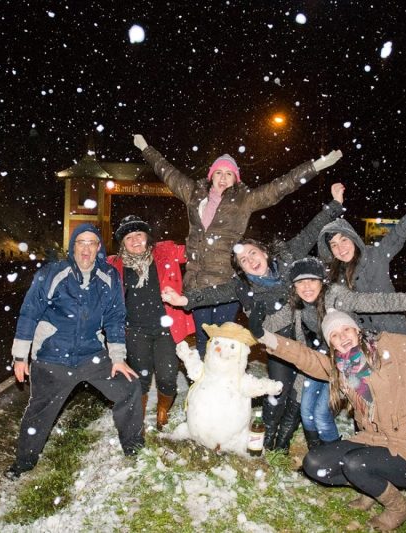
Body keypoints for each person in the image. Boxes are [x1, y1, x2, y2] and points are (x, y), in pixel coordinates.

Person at [163, 254, 406, 453]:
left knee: (327, 415)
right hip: (317, 362)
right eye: (300, 283)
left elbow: (381, 301)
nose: (306, 287)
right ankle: (309, 452)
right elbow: (273, 326)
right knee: (306, 411)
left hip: (348, 360)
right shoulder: (296, 305)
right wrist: (256, 327)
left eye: (311, 281)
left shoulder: (338, 296)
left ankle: (336, 454)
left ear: (321, 281)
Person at [248, 308, 406, 531]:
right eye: (334, 335)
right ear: (331, 343)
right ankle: (370, 487)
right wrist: (267, 337)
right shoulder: (339, 367)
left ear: (358, 331)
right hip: (372, 440)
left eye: (346, 329)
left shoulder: (390, 348)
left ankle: (397, 509)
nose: (342, 337)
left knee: (355, 463)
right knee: (315, 464)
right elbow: (305, 357)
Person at [161, 182, 346, 451]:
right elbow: (215, 293)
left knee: (300, 390)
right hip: (277, 342)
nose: (250, 261)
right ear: (242, 270)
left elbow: (309, 233)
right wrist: (185, 300)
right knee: (279, 389)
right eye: (244, 261)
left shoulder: (286, 259)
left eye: (252, 254)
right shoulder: (243, 286)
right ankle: (268, 439)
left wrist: (334, 206)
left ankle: (283, 440)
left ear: (264, 252)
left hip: (307, 333)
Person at [134, 133, 342, 357]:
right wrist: (146, 148)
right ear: (211, 176)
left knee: (223, 344)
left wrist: (317, 165)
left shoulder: (245, 199)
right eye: (219, 173)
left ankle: (225, 387)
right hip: (196, 284)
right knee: (204, 343)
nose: (223, 178)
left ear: (236, 178)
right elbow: (167, 172)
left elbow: (281, 186)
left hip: (226, 285)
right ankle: (207, 389)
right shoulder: (193, 193)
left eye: (229, 174)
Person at [6, 223, 144, 479]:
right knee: (39, 413)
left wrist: (118, 359)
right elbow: (29, 313)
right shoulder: (52, 273)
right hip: (53, 358)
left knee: (130, 386)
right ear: (73, 247)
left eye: (92, 243)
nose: (86, 248)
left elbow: (115, 317)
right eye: (81, 242)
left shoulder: (109, 277)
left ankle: (134, 449)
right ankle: (23, 463)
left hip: (91, 356)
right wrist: (20, 356)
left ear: (98, 248)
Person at [317, 169, 406, 334]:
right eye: (333, 245)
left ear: (353, 239)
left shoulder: (376, 255)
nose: (340, 248)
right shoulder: (333, 276)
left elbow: (401, 231)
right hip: (361, 344)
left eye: (344, 240)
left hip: (396, 336)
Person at [107, 215, 195, 430]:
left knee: (167, 377)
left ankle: (163, 411)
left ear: (147, 237)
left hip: (166, 329)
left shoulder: (166, 252)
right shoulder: (114, 265)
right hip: (135, 330)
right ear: (123, 243)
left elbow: (199, 252)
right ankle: (139, 414)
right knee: (140, 378)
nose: (135, 240)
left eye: (139, 234)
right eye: (129, 237)